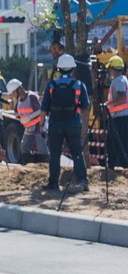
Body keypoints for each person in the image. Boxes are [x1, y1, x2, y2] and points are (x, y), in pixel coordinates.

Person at [42, 53, 90, 193]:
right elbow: (85, 106)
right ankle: (82, 180)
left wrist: (40, 124)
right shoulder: (79, 85)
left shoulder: (51, 85)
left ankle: (53, 183)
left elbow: (44, 107)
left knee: (55, 154)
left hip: (55, 123)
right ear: (72, 69)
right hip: (73, 122)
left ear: (59, 68)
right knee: (76, 152)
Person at [10, 78, 45, 161]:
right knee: (24, 148)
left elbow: (40, 110)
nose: (13, 95)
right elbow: (16, 112)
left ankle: (46, 166)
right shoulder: (19, 100)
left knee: (42, 149)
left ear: (18, 90)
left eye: (13, 92)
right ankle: (29, 166)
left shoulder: (31, 97)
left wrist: (28, 118)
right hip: (29, 128)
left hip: (38, 127)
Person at [104, 55, 128, 172]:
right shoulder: (122, 79)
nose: (109, 71)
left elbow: (122, 98)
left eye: (110, 68)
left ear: (113, 68)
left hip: (120, 118)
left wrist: (108, 104)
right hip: (118, 118)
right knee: (113, 143)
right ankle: (112, 166)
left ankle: (122, 166)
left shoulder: (118, 81)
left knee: (119, 143)